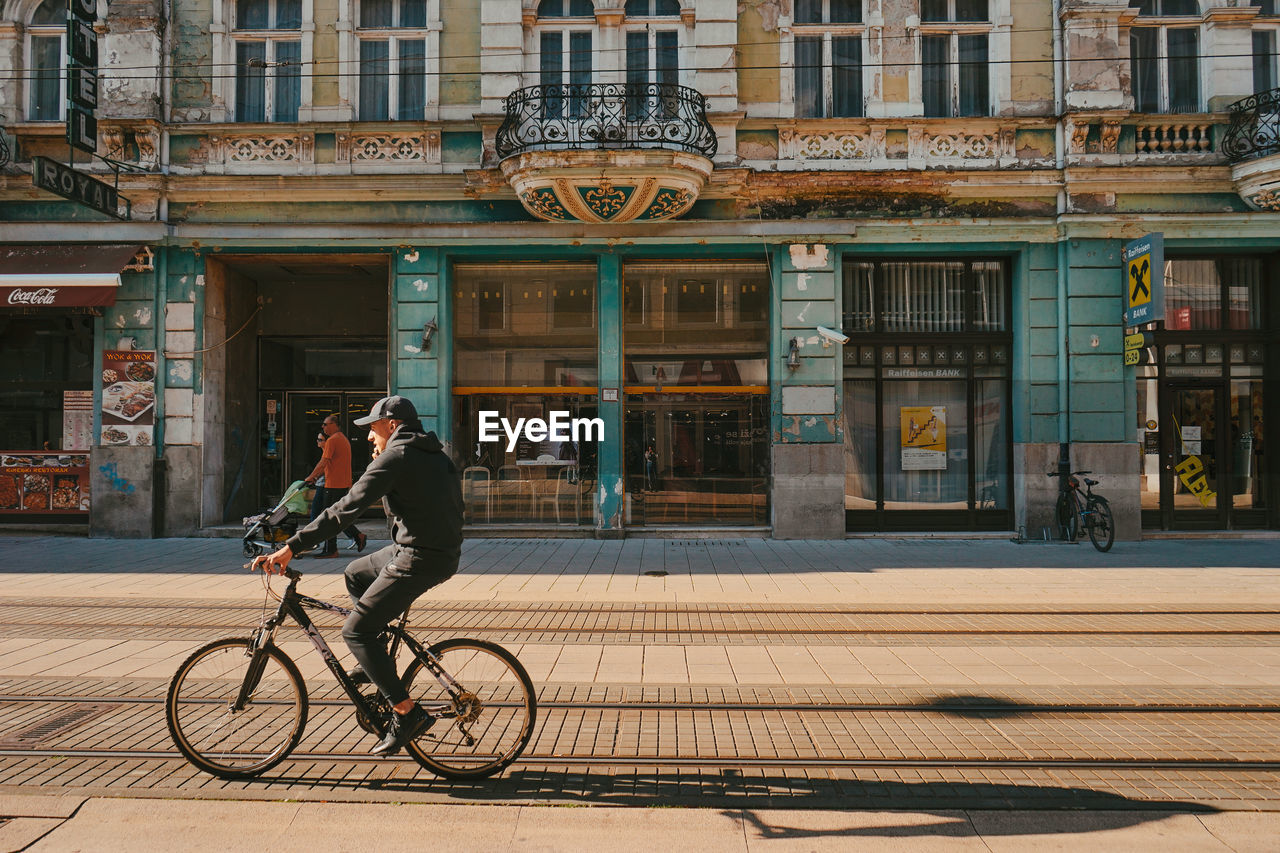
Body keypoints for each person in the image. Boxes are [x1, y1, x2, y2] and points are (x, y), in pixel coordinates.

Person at [253, 395, 465, 756]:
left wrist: (292, 547)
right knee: (355, 573)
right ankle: (374, 659)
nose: (368, 436)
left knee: (355, 630)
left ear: (393, 425)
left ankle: (406, 712)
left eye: (373, 428)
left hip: (420, 556)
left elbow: (345, 510)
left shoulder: (397, 457)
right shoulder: (433, 454)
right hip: (425, 549)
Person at [304, 414, 366, 557]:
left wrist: (311, 477)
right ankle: (356, 536)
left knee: (329, 518)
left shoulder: (332, 441)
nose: (323, 427)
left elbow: (324, 462)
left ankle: (332, 549)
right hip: (341, 483)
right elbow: (332, 464)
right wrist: (317, 476)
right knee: (336, 515)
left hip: (333, 484)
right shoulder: (343, 439)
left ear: (334, 425)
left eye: (325, 424)